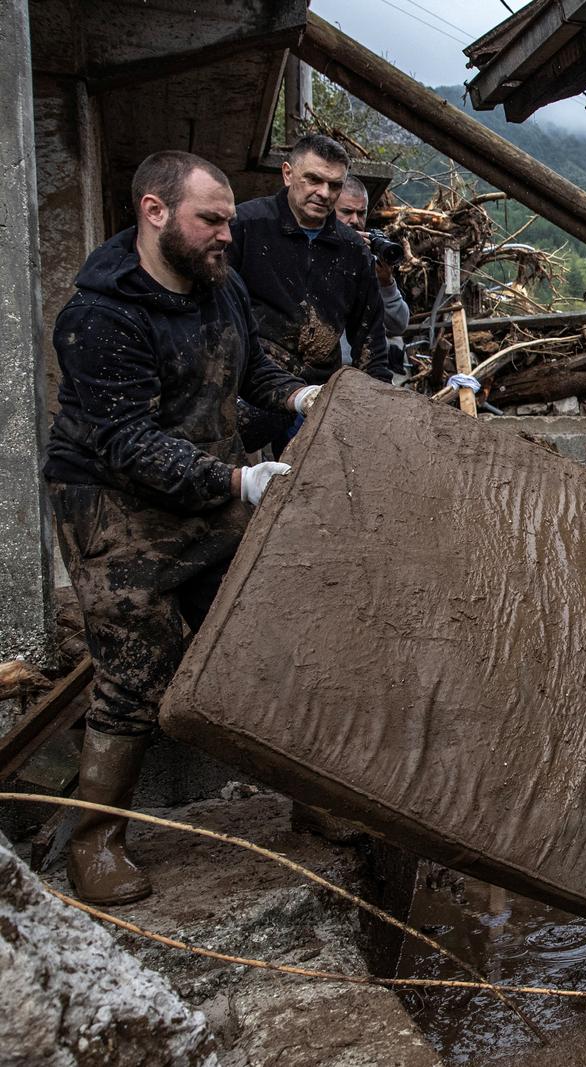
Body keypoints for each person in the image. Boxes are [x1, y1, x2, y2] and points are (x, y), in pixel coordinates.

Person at [45, 151, 317, 905]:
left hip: (202, 485)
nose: (227, 233)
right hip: (110, 504)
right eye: (211, 218)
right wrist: (239, 480)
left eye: (230, 218)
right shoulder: (97, 318)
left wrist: (301, 397)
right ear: (155, 212)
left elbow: (251, 370)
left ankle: (313, 796)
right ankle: (95, 840)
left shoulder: (214, 286)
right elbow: (126, 441)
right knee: (137, 661)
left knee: (261, 625)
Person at [230, 132, 389, 450]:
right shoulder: (244, 226)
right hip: (245, 386)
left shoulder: (353, 250)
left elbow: (370, 338)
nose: (324, 193)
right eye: (313, 179)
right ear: (288, 173)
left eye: (334, 185)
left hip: (315, 396)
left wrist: (378, 409)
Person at [333, 176, 410, 380]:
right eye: (347, 212)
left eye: (361, 213)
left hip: (365, 374)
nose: (355, 221)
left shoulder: (372, 258)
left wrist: (386, 284)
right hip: (325, 374)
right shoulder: (314, 254)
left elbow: (399, 325)